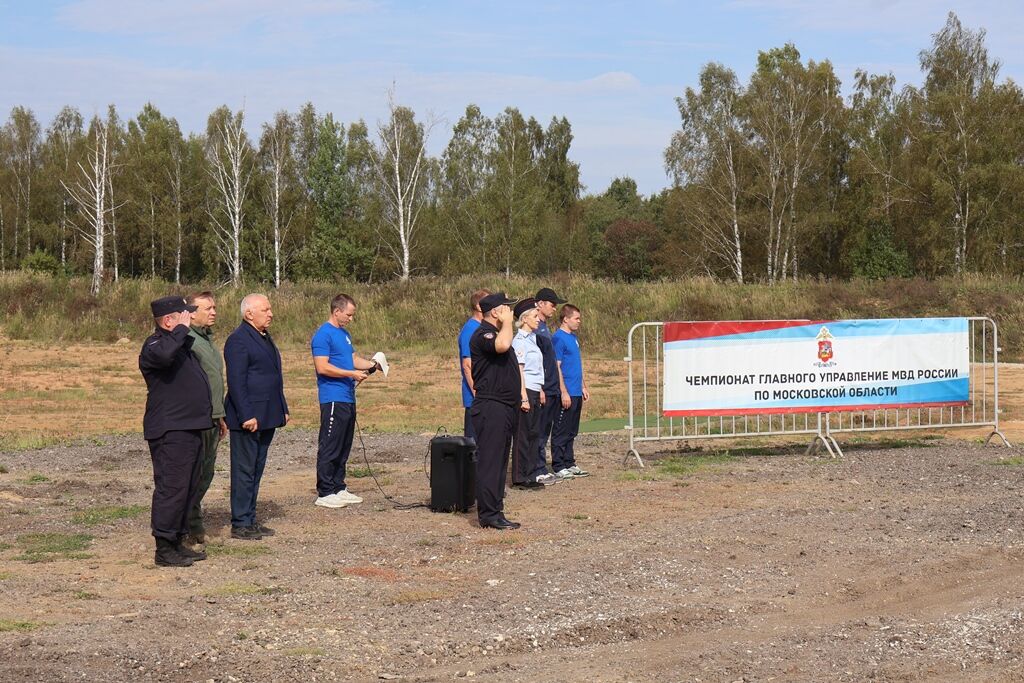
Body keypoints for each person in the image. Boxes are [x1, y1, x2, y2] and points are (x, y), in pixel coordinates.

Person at [139, 295, 212, 567]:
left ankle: (177, 540)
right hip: (171, 430)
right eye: (184, 314)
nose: (189, 318)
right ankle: (164, 547)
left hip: (189, 427)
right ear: (168, 321)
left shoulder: (180, 345)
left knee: (188, 487)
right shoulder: (155, 345)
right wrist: (181, 331)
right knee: (172, 488)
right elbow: (163, 356)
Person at [224, 294, 289, 540]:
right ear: (249, 314)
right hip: (249, 417)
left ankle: (250, 519)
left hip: (267, 414)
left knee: (256, 468)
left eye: (270, 309)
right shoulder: (238, 340)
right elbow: (237, 382)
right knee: (244, 470)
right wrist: (246, 415)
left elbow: (274, 377)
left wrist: (282, 407)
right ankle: (240, 522)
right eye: (265, 310)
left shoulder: (263, 337)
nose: (270, 314)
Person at [311, 293, 383, 509]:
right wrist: (351, 374)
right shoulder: (323, 335)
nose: (351, 319)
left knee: (344, 444)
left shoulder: (344, 334)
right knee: (330, 444)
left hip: (347, 396)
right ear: (337, 311)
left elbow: (352, 359)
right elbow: (322, 367)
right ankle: (325, 491)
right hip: (332, 397)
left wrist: (372, 365)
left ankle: (338, 486)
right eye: (348, 315)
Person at [469, 292, 523, 530]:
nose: (510, 312)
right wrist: (508, 323)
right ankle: (489, 514)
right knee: (491, 461)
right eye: (506, 308)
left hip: (504, 406)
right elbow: (501, 345)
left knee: (500, 460)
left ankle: (496, 510)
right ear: (495, 312)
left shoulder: (499, 332)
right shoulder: (484, 334)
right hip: (491, 406)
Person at [182, 292, 228, 549]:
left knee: (206, 473)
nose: (213, 312)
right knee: (194, 474)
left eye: (214, 307)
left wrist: (220, 415)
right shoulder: (187, 340)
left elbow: (214, 380)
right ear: (191, 313)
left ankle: (193, 525)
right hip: (197, 419)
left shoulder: (207, 339)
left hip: (212, 417)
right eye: (208, 308)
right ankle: (189, 528)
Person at [531, 287, 568, 486]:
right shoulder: (535, 329)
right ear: (540, 304)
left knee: (545, 431)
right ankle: (536, 469)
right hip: (543, 388)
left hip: (552, 386)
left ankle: (541, 467)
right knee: (538, 431)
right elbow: (535, 363)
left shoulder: (545, 328)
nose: (555, 309)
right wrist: (540, 388)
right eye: (552, 305)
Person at [551, 304, 591, 479]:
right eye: (576, 318)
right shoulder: (558, 338)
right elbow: (556, 366)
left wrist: (583, 386)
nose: (579, 321)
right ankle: (558, 465)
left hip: (576, 391)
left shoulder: (573, 338)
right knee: (561, 429)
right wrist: (563, 391)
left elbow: (576, 364)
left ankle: (569, 462)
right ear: (566, 319)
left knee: (571, 430)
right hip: (566, 392)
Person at [510, 298, 546, 490]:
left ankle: (531, 474)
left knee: (534, 433)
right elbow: (520, 371)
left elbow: (537, 368)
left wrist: (540, 390)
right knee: (523, 435)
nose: (538, 319)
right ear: (524, 319)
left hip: (535, 389)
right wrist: (523, 396)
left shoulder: (532, 339)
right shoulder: (519, 341)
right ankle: (520, 476)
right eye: (534, 316)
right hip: (526, 390)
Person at [458, 289, 490, 441]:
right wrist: (477, 394)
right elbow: (467, 365)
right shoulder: (470, 329)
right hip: (476, 399)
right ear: (478, 306)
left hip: (487, 396)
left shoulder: (483, 328)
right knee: (473, 443)